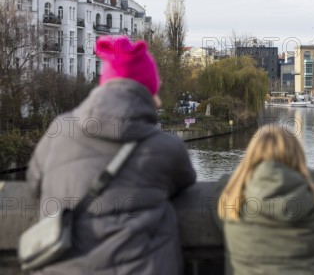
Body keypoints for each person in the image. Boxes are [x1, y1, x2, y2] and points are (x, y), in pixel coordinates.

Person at [26, 36, 197, 274]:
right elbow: (186, 182)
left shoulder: (59, 129)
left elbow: (34, 184)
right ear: (148, 91)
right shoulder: (166, 146)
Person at [213, 126, 314, 274]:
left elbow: (226, 181)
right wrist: (304, 174)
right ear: (298, 159)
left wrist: (249, 170)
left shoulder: (229, 206)